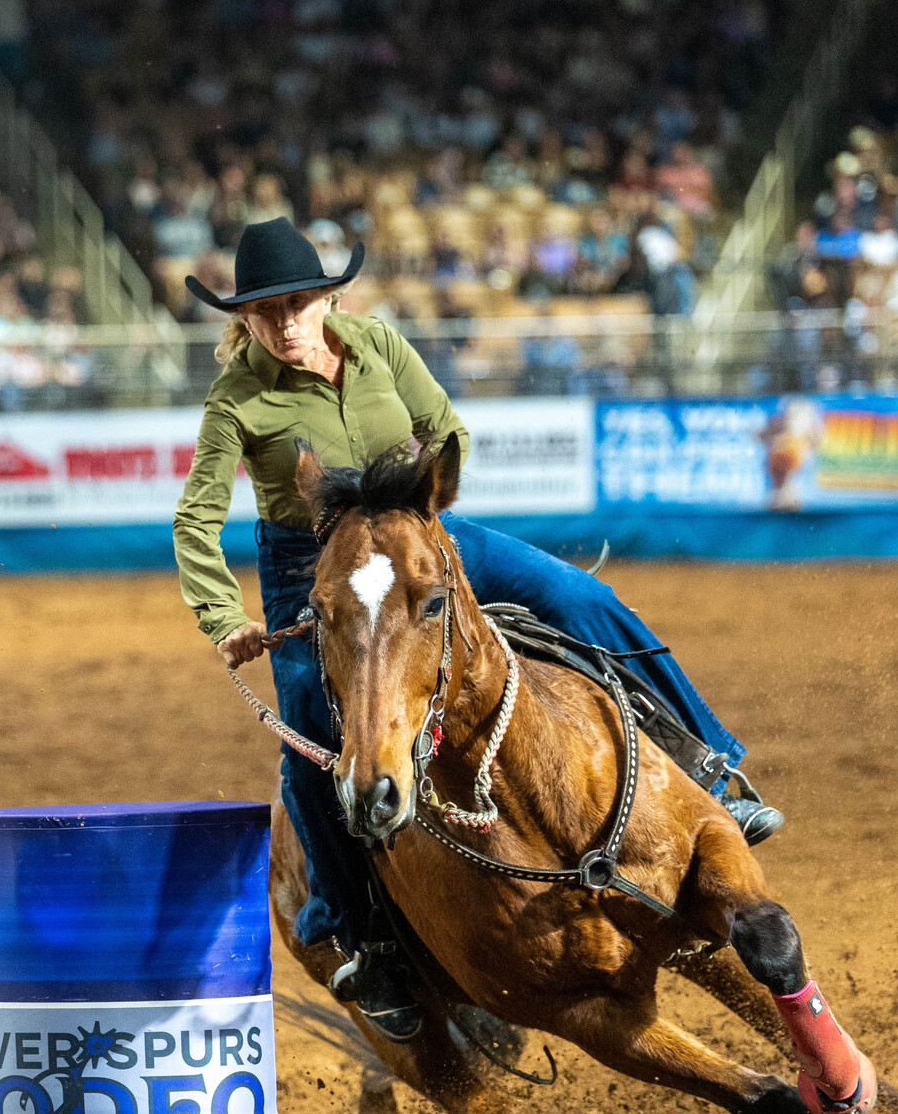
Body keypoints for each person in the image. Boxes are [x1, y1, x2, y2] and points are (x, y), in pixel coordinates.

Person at [173, 218, 780, 1041]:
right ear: (240, 319)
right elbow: (194, 519)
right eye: (263, 311)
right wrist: (223, 616)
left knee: (578, 599)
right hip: (312, 572)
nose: (284, 323)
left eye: (297, 303)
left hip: (422, 537)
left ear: (328, 299)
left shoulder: (378, 345)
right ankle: (363, 933)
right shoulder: (235, 400)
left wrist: (422, 489)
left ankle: (711, 762)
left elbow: (447, 424)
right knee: (313, 744)